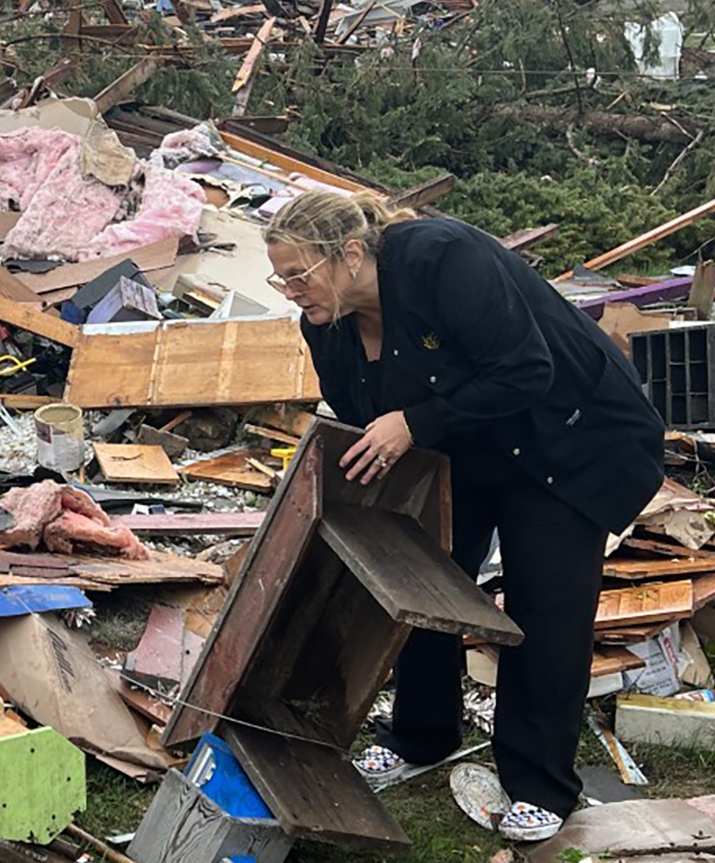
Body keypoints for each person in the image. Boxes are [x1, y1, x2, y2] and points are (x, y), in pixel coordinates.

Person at [264, 191, 665, 843]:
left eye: (299, 274)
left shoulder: (443, 260)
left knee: (544, 609)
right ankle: (423, 733)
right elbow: (359, 412)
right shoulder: (326, 324)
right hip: (471, 447)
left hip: (566, 437)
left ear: (352, 254)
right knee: (424, 577)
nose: (289, 290)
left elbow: (526, 369)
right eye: (279, 277)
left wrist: (415, 422)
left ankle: (540, 782)